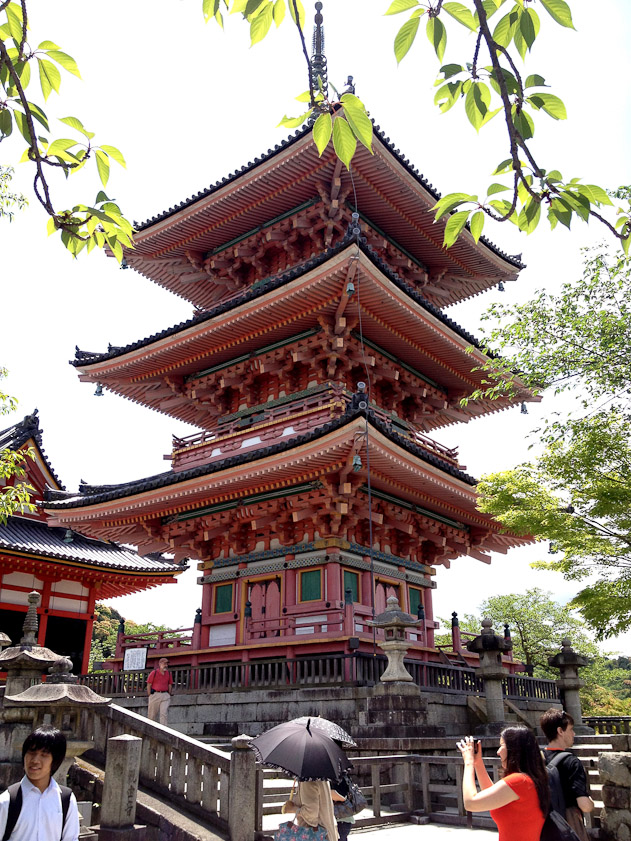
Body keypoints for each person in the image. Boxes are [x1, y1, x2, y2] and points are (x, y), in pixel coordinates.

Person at [456, 726, 549, 841]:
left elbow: (470, 803)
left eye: (502, 746)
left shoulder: (519, 781)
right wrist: (478, 763)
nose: (498, 752)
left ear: (514, 750)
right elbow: (492, 795)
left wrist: (468, 762)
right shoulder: (528, 780)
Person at [0, 725, 80, 841]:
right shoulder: (7, 801)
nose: (35, 760)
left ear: (55, 760)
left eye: (44, 755)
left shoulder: (66, 800)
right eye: (32, 753)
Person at [540, 708, 594, 841]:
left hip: (543, 824)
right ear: (560, 731)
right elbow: (584, 805)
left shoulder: (537, 758)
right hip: (568, 824)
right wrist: (591, 802)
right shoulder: (572, 762)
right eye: (570, 729)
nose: (574, 733)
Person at [146, 657, 173, 725]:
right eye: (164, 663)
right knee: (152, 715)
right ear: (160, 664)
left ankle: (163, 731)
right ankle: (150, 730)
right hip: (155, 694)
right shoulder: (154, 673)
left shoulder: (168, 674)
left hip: (165, 695)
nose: (166, 665)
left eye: (167, 664)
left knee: (164, 714)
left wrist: (169, 694)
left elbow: (170, 684)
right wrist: (150, 695)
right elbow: (149, 684)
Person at [331, 776, 354, 841]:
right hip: (342, 817)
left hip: (341, 819)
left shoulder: (340, 778)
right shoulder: (344, 776)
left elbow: (342, 797)